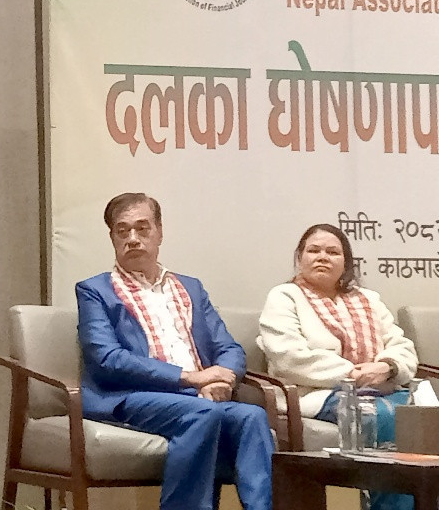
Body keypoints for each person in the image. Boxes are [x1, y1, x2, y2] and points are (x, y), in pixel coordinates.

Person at [76, 192, 273, 510]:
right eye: (122, 231)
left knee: (251, 416)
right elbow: (107, 360)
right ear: (112, 238)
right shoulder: (95, 291)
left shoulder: (191, 288)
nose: (133, 239)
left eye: (142, 228)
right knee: (203, 413)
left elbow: (228, 347)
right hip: (130, 395)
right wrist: (192, 378)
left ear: (160, 233)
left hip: (194, 395)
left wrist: (224, 378)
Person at [258, 223, 417, 510]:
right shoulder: (284, 297)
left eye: (332, 252)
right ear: (300, 258)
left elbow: (402, 346)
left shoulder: (368, 299)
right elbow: (289, 357)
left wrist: (387, 367)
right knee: (384, 416)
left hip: (382, 386)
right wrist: (352, 374)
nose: (322, 257)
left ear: (346, 263)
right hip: (319, 393)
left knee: (423, 417)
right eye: (314, 250)